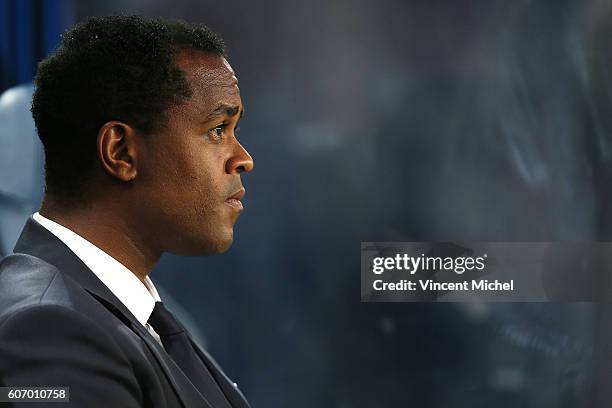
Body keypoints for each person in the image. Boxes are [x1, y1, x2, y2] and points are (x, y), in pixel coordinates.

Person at [0, 15, 253, 408]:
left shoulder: (132, 318)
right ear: (121, 152)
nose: (243, 159)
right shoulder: (50, 327)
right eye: (217, 128)